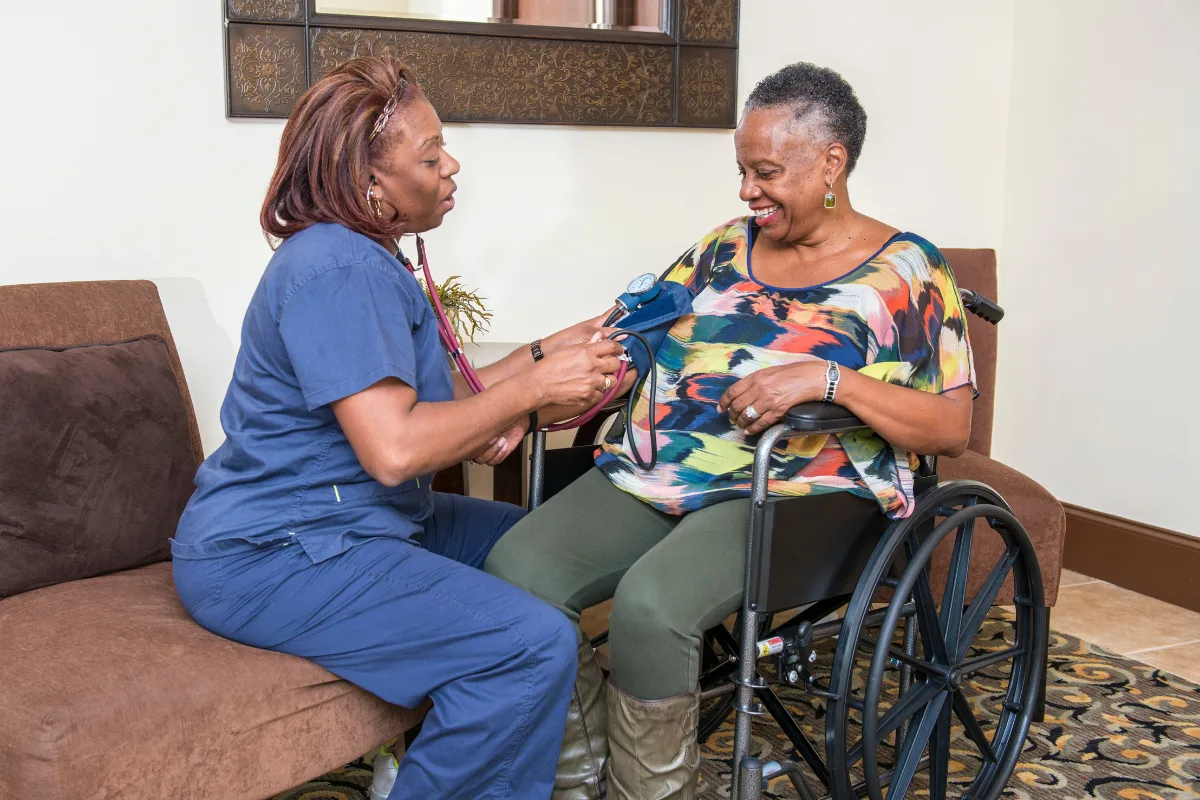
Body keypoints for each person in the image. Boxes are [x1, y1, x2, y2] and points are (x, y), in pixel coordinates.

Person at [485, 62, 978, 799]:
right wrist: (525, 400)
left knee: (652, 607)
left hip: (796, 492)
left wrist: (827, 380)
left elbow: (952, 425)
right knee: (519, 571)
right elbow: (631, 341)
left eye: (766, 171)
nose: (748, 190)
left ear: (831, 164)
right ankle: (578, 779)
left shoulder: (908, 272)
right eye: (743, 170)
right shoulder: (722, 246)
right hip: (659, 468)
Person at [170, 55, 625, 800]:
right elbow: (396, 447)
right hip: (276, 553)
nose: (452, 165)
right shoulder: (336, 269)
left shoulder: (360, 256)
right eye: (430, 154)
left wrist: (545, 352)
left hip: (354, 523)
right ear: (368, 182)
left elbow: (428, 395)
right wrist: (533, 388)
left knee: (536, 548)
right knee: (528, 647)